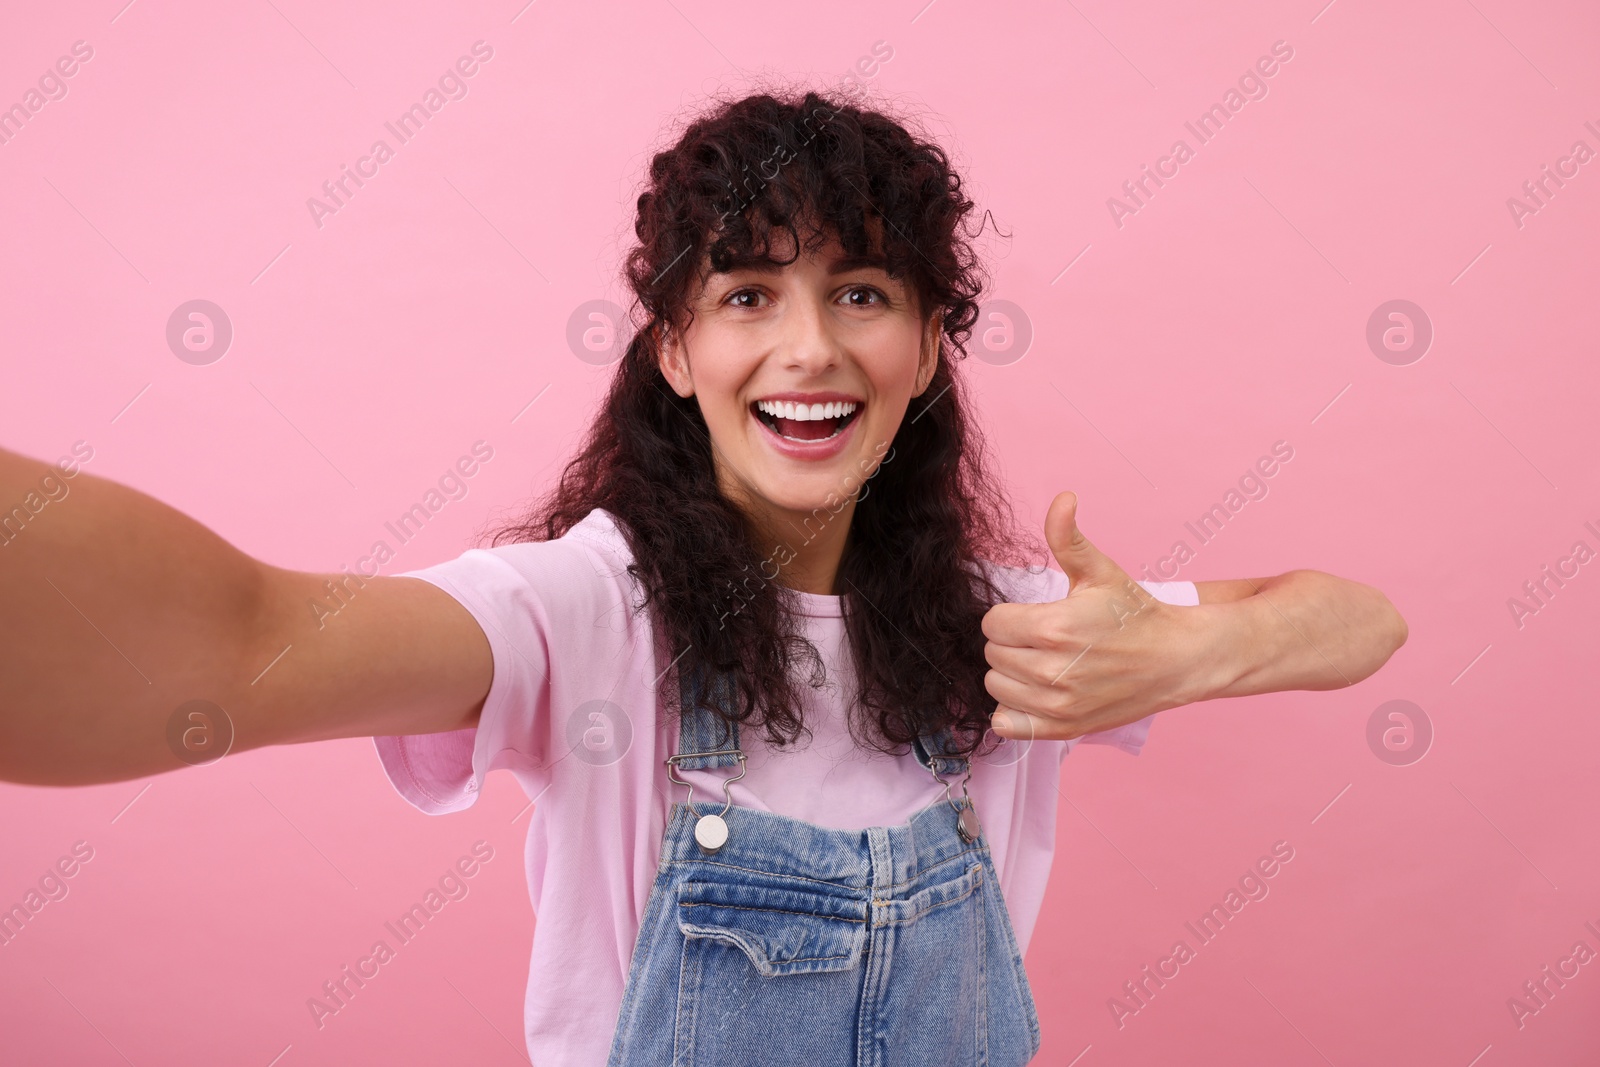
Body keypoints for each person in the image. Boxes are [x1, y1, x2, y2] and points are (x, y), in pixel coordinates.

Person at [0, 88, 1406, 1066]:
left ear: (925, 351)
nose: (810, 349)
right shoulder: (585, 615)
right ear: (674, 353)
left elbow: (1361, 618)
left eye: (863, 293)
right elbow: (240, 637)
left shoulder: (1012, 632)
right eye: (746, 296)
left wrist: (1181, 653)